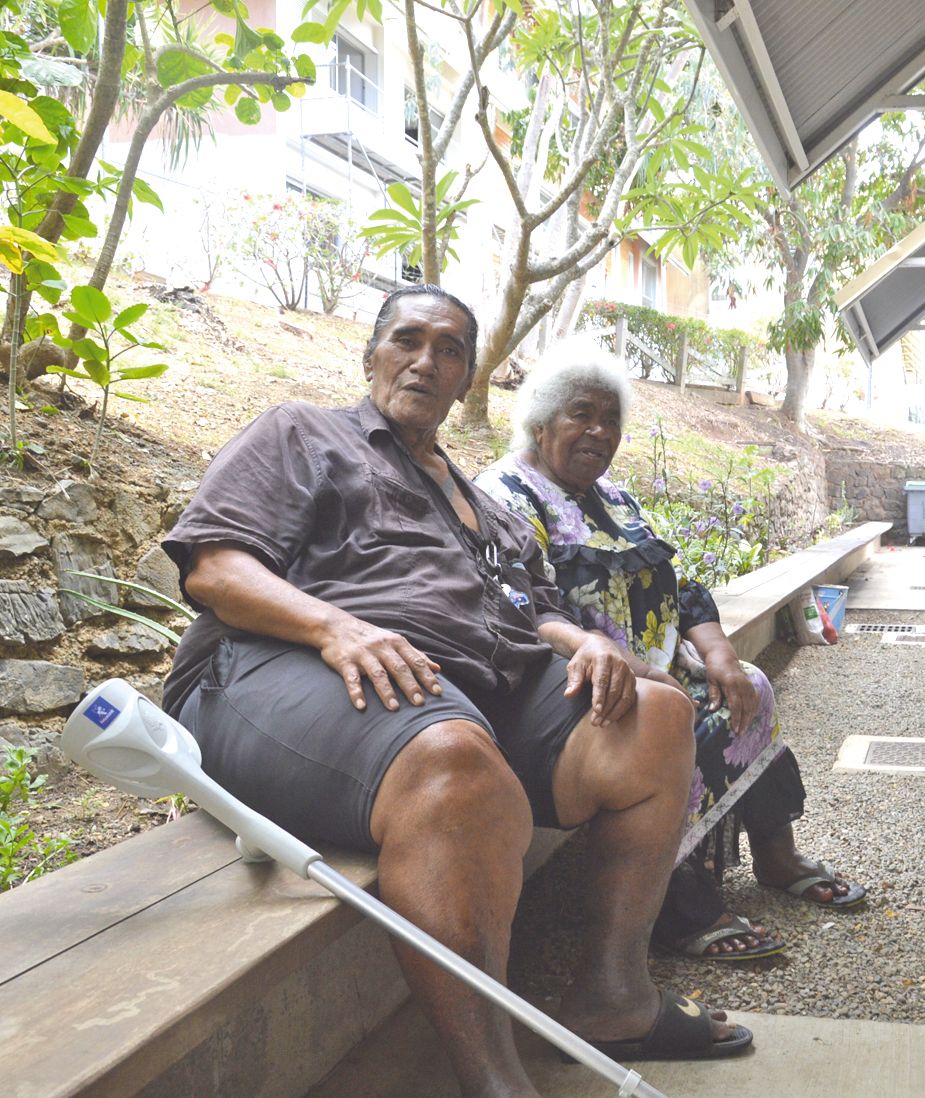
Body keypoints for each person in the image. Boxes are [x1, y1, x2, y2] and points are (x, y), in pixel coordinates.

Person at [159, 287, 752, 1096]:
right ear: (371, 354)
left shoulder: (478, 502)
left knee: (654, 716)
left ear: (467, 377)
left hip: (466, 684)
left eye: (449, 350)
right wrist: (337, 627)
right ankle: (493, 1081)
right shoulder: (301, 433)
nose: (425, 360)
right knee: (453, 761)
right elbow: (215, 566)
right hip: (284, 668)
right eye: (407, 339)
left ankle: (615, 997)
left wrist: (587, 642)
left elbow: (533, 609)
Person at [475, 342, 866, 963]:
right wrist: (642, 673)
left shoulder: (616, 500)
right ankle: (673, 898)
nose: (599, 433)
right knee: (672, 723)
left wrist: (721, 657)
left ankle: (774, 853)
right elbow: (522, 611)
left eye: (612, 422)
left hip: (656, 671)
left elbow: (680, 591)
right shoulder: (505, 497)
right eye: (582, 414)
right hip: (580, 687)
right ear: (541, 420)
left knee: (749, 690)